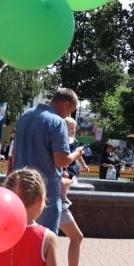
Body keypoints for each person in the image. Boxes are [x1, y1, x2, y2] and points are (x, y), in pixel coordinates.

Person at [12, 88, 83, 234]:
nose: (68, 115)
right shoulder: (57, 122)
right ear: (65, 104)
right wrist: (77, 153)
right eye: (71, 110)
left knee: (19, 239)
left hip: (19, 189)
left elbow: (14, 153)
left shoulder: (25, 116)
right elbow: (62, 160)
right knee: (43, 243)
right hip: (45, 195)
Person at [59, 117, 97, 266]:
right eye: (70, 128)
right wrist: (67, 179)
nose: (72, 132)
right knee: (73, 237)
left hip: (59, 201)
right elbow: (63, 164)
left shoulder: (67, 144)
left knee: (76, 237)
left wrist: (80, 166)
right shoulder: (60, 145)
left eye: (73, 129)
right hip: (54, 202)